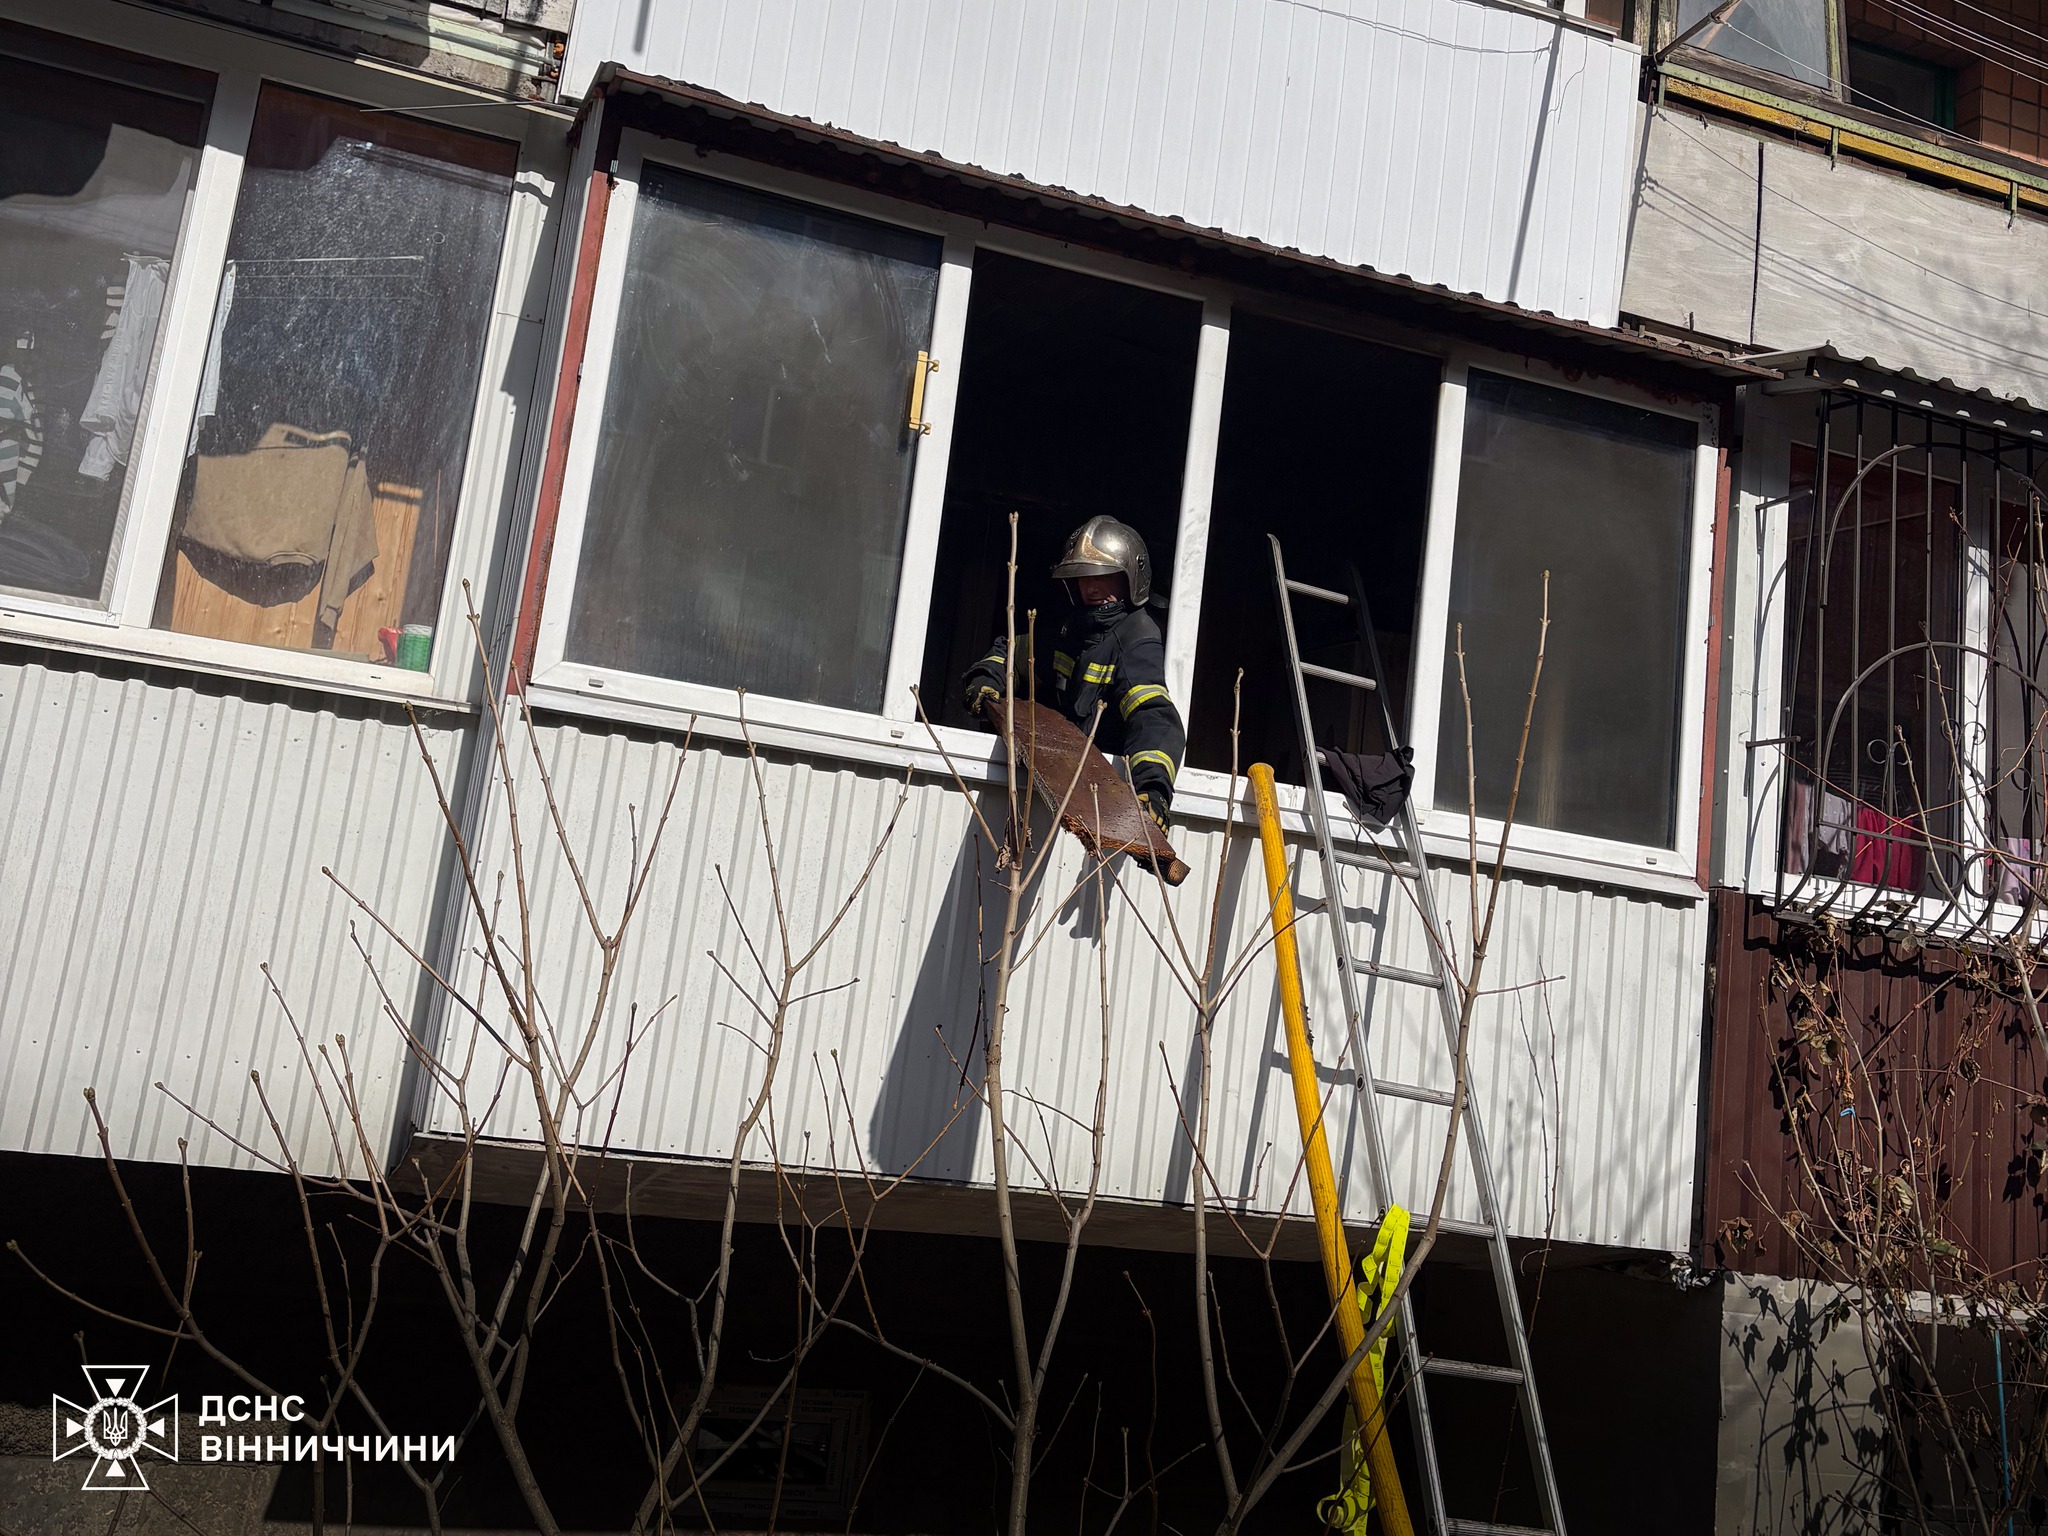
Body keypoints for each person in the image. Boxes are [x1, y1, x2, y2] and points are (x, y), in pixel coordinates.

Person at [960, 516, 1186, 831]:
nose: (1091, 588)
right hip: (1050, 789)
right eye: (1082, 576)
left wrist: (1153, 789)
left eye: (1103, 576)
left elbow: (1153, 716)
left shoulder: (1137, 637)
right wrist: (987, 678)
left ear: (1131, 579)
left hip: (1100, 799)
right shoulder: (1073, 628)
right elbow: (1013, 651)